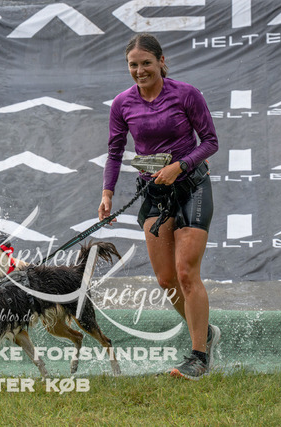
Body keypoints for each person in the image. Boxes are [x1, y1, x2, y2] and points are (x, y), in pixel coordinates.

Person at [98, 33, 221, 380]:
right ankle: (206, 333)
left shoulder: (186, 94)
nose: (140, 70)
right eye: (133, 65)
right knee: (166, 280)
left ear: (161, 61)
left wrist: (180, 166)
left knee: (186, 273)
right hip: (153, 193)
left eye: (146, 63)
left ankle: (198, 356)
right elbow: (115, 152)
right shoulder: (122, 103)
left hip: (192, 187)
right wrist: (107, 193)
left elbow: (210, 141)